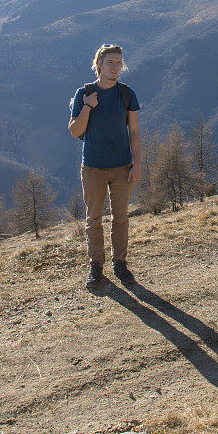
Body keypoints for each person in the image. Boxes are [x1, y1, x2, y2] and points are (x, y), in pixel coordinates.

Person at [69, 44, 141, 289]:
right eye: (111, 62)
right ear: (99, 64)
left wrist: (137, 165)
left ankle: (120, 264)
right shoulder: (84, 93)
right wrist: (88, 106)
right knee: (94, 219)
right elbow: (75, 131)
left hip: (122, 166)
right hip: (93, 167)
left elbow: (135, 132)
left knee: (121, 218)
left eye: (119, 62)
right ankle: (96, 265)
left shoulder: (126, 93)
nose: (116, 67)